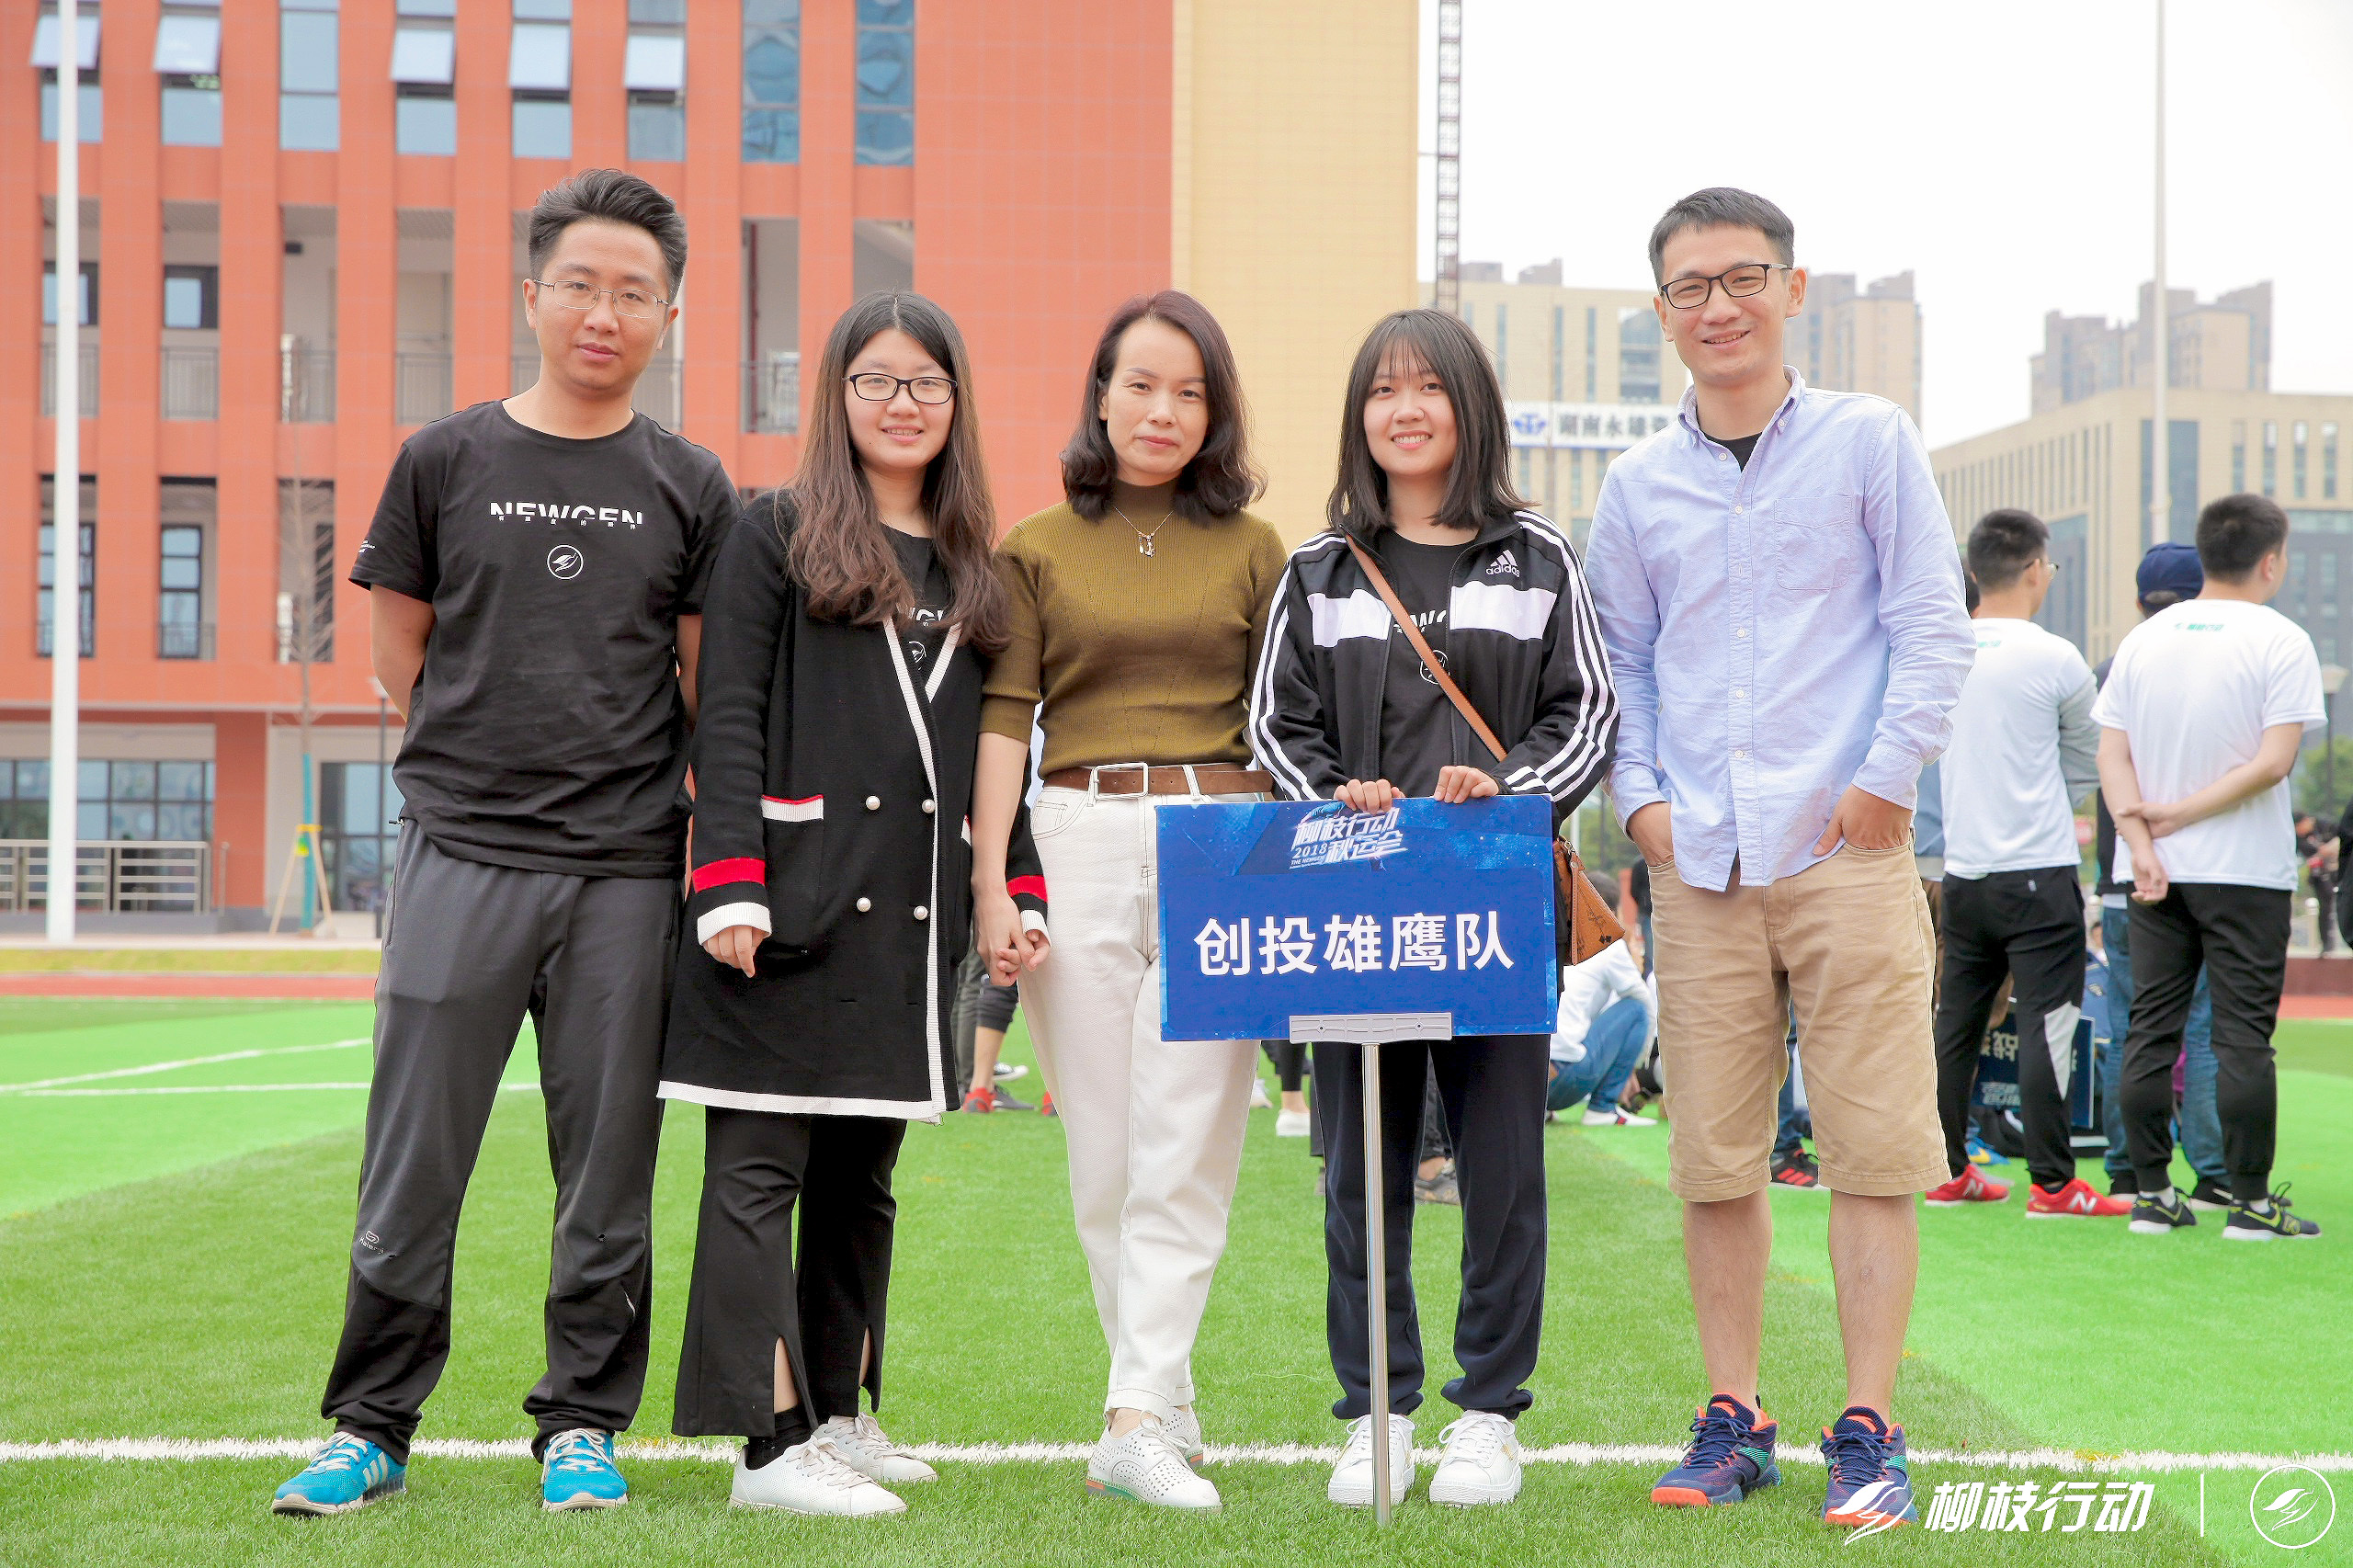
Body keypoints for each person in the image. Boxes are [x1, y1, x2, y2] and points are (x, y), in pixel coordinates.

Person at [273, 171, 734, 1517]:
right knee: (414, 1157)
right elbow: (398, 658)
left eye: (634, 293)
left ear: (668, 317)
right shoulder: (444, 459)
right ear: (533, 295)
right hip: (460, 858)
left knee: (608, 1171)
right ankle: (371, 1424)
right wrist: (488, 772)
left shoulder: (690, 482)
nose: (604, 313)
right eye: (580, 285)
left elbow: (701, 684)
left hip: (627, 872)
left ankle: (581, 1422)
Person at [1582, 187, 1972, 1530]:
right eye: (1690, 287)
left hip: (1845, 850)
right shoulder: (1636, 485)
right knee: (1713, 1159)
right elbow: (1623, 664)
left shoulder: (1869, 439)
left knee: (1869, 1148)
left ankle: (1869, 1426)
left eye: (1742, 277)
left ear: (1792, 289)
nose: (1719, 307)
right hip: (1697, 863)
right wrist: (1641, 805)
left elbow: (1931, 622)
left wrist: (1879, 787)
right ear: (1662, 313)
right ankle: (1732, 1414)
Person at [659, 291, 1050, 1515]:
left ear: (956, 401)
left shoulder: (978, 564)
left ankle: (836, 1408)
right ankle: (769, 1447)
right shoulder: (773, 530)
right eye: (876, 379)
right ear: (837, 395)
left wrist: (1015, 883)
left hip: (909, 919)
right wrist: (728, 880)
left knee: (859, 1177)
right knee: (757, 1170)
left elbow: (990, 748)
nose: (902, 402)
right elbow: (727, 715)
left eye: (926, 381)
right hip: (782, 905)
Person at [1253, 306, 1619, 1509]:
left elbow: (1588, 715)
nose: (1403, 410)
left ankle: (1488, 1415)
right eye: (1381, 390)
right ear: (1358, 416)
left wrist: (1508, 789)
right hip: (1355, 916)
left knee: (1503, 1168)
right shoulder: (1319, 569)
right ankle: (1376, 1410)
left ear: (1471, 409)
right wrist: (1335, 796)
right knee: (1360, 1169)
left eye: (1428, 388)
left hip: (1495, 913)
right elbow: (1275, 725)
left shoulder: (1537, 557)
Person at [969, 291, 1286, 1512]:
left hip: (1224, 842)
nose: (1163, 410)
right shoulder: (1036, 546)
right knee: (1103, 1152)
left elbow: (1283, 720)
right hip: (1079, 835)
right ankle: (1159, 1393)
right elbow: (1006, 721)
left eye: (1189, 392)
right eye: (1142, 385)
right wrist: (991, 880)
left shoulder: (1257, 547)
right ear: (1101, 395)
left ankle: (1134, 1417)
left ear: (1216, 413)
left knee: (1190, 1140)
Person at [2097, 493, 2325, 1241]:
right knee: (2241, 1040)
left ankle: (2152, 1195)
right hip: (2245, 870)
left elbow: (2112, 755)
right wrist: (2182, 814)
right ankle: (2250, 1204)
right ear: (2271, 561)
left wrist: (2142, 842)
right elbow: (2274, 762)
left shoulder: (2144, 640)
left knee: (2149, 1030)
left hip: (2154, 870)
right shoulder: (2281, 639)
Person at [1925, 511, 2123, 1218]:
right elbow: (2088, 761)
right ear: (2037, 569)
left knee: (1955, 1025)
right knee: (2048, 1022)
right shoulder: (2058, 657)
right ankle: (2053, 1183)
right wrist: (2044, 802)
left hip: (1964, 872)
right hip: (2039, 872)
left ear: (1973, 572)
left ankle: (1947, 1169)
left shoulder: (1941, 652)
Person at [2094, 543, 2229, 1205]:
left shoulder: (2113, 667)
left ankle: (2130, 1171)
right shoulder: (2224, 664)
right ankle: (2214, 1174)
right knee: (2202, 1030)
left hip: (2124, 873)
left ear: (2139, 601)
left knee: (2131, 1027)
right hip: (2201, 873)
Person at [1551, 873, 1658, 1127]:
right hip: (1566, 1079)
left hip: (1528, 1085)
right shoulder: (1606, 941)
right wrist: (1633, 1066)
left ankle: (1542, 1112)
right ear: (1612, 912)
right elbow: (1644, 1004)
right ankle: (1603, 1107)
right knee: (1636, 1009)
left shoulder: (1552, 936)